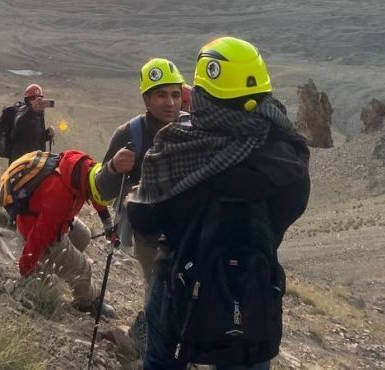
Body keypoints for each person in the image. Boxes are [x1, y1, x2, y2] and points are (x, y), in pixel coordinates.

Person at [127, 36, 311, 369]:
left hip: (177, 280)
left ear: (203, 95)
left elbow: (144, 220)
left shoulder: (175, 148)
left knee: (160, 357)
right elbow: (292, 209)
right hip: (255, 281)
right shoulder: (288, 155)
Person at [93, 59, 186, 346]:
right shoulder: (128, 135)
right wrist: (111, 168)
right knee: (159, 286)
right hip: (149, 233)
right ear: (146, 98)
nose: (170, 102)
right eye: (161, 95)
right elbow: (100, 191)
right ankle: (150, 341)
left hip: (187, 227)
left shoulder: (193, 127)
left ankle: (164, 334)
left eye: (175, 94)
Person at [15, 150, 115, 318]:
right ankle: (86, 303)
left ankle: (61, 265)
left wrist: (108, 223)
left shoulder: (86, 170)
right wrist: (26, 267)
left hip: (54, 220)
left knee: (84, 234)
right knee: (83, 268)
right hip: (37, 231)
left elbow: (97, 192)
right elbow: (40, 233)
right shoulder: (59, 195)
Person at [8, 84, 54, 163]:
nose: (37, 101)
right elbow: (18, 126)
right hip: (20, 161)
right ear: (27, 100)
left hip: (35, 160)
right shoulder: (21, 111)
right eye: (33, 99)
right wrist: (32, 110)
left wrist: (48, 134)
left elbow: (39, 139)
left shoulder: (39, 115)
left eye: (39, 99)